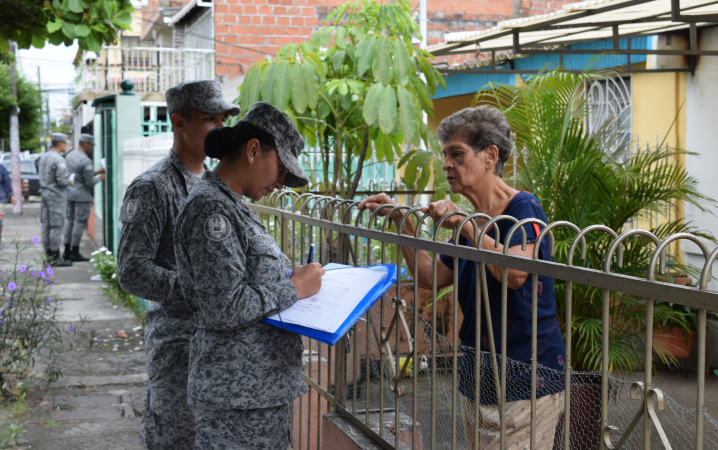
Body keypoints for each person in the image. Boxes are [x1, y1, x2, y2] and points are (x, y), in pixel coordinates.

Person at [359, 106, 565, 450]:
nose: (446, 164)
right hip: (480, 375)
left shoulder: (523, 209)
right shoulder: (471, 220)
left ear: (490, 156)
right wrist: (403, 222)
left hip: (527, 377)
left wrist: (466, 225)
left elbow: (515, 274)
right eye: (445, 155)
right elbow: (431, 277)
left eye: (457, 154)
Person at [174, 101, 325, 450]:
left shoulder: (229, 205)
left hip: (252, 391)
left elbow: (241, 282)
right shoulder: (213, 209)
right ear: (254, 150)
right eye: (282, 169)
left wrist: (290, 279)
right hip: (235, 396)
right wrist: (293, 287)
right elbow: (223, 305)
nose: (282, 182)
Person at [117, 79, 240, 450]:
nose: (219, 128)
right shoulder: (152, 187)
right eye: (209, 119)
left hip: (217, 346)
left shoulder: (218, 184)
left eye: (223, 119)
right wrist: (194, 290)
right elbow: (131, 270)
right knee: (175, 439)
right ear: (178, 123)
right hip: (178, 347)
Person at [63, 133, 105, 262]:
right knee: (79, 223)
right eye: (91, 145)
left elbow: (78, 175)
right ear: (86, 144)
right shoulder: (86, 160)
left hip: (70, 193)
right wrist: (100, 178)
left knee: (70, 221)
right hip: (82, 196)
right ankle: (75, 252)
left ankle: (66, 251)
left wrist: (97, 172)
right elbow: (89, 182)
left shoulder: (69, 156)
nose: (91, 148)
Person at [38, 133, 73, 267]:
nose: (66, 146)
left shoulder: (44, 157)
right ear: (60, 144)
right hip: (56, 196)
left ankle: (47, 256)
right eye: (65, 143)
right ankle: (55, 257)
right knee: (57, 226)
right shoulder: (59, 159)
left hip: (45, 194)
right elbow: (62, 180)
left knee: (46, 225)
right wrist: (71, 182)